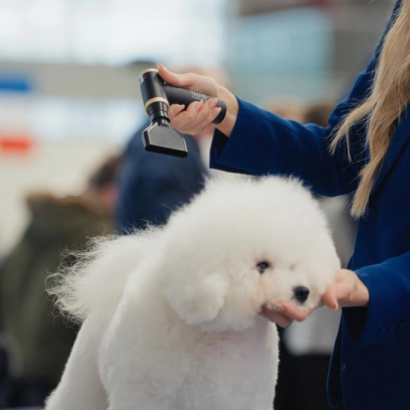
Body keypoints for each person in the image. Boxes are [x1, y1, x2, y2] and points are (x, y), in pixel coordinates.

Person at [155, 1, 409, 409]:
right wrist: (227, 111)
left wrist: (375, 285)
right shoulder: (403, 21)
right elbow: (340, 156)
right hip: (378, 362)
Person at [0, 153, 120, 407]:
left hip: (18, 362)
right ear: (111, 189)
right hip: (62, 369)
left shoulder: (41, 221)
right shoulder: (96, 231)